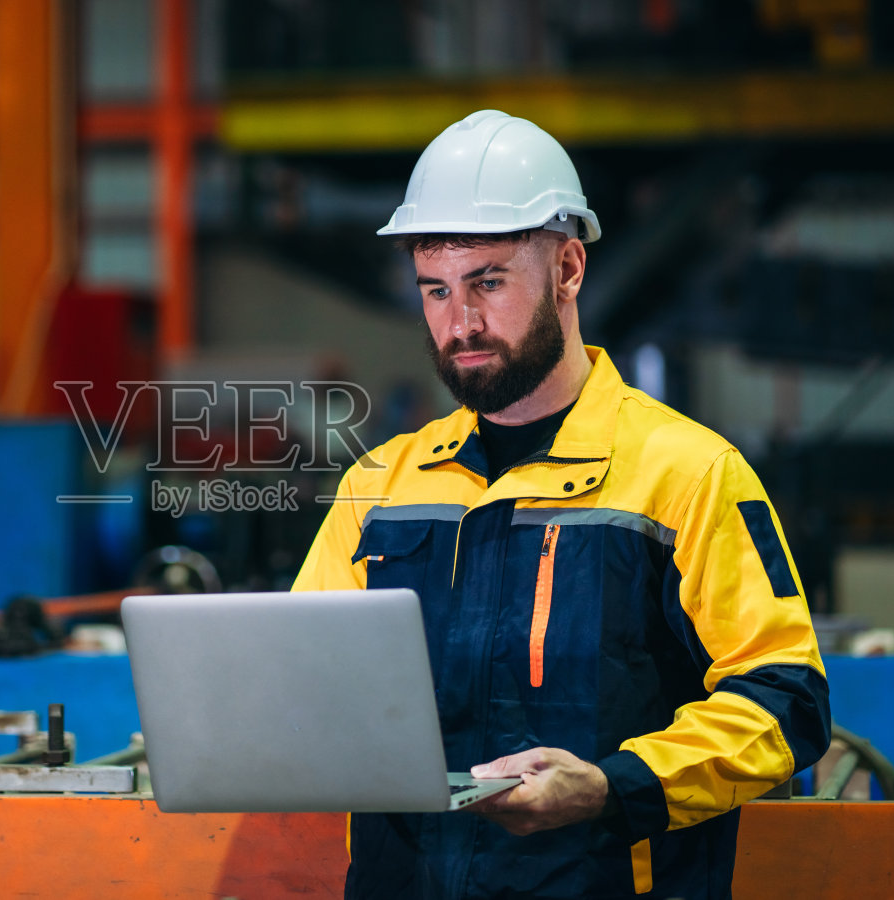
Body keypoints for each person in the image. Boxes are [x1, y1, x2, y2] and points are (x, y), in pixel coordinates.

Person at [292, 110, 830, 900]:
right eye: (435, 290)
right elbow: (305, 682)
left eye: (489, 282)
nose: (460, 323)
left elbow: (787, 702)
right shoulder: (381, 484)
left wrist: (613, 785)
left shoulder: (687, 474)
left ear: (569, 269)